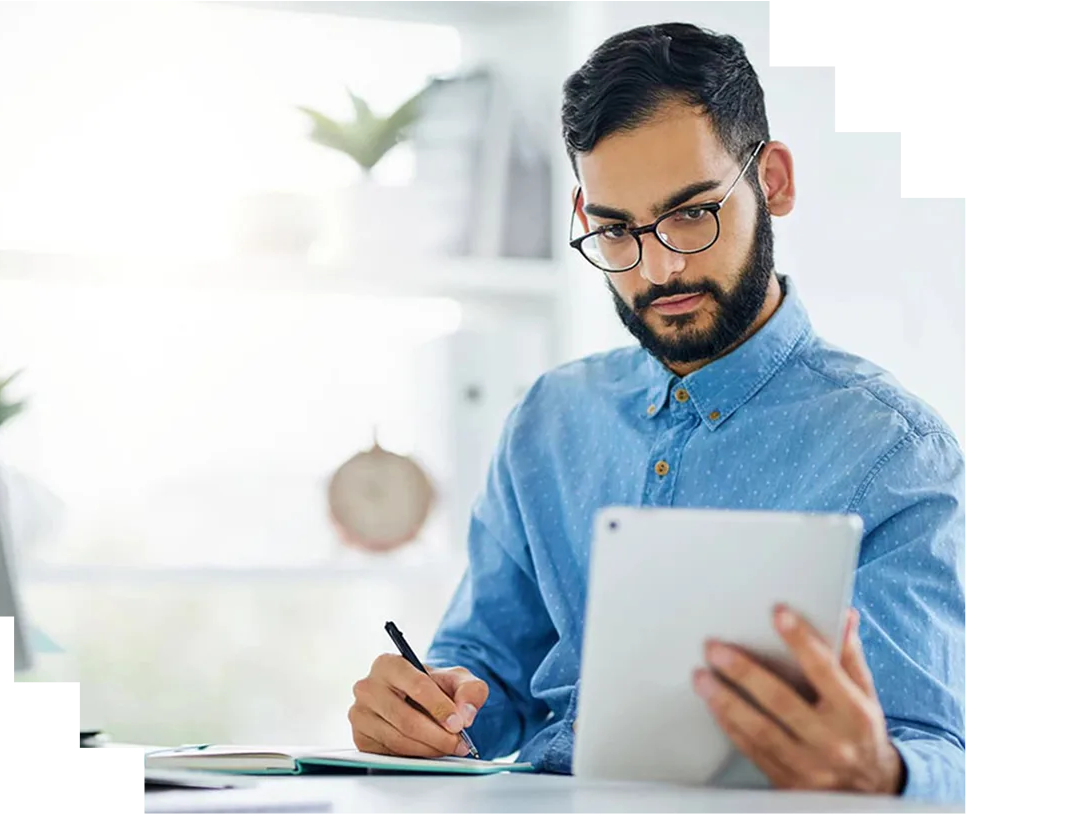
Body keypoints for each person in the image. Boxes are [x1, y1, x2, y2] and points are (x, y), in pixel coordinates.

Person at [346, 21, 968, 804]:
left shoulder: (894, 452)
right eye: (615, 229)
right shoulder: (548, 419)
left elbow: (940, 750)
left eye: (692, 213)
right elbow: (484, 675)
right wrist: (422, 712)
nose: (661, 264)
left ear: (771, 180)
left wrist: (881, 773)